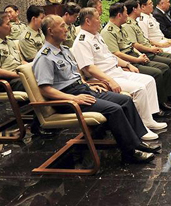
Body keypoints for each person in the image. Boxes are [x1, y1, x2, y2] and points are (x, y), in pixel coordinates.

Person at [33, 14, 158, 163]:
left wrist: (89, 85)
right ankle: (130, 152)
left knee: (125, 100)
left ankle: (137, 140)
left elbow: (75, 76)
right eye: (62, 26)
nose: (66, 29)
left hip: (82, 90)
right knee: (114, 109)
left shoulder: (64, 50)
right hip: (67, 99)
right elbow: (45, 89)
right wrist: (74, 98)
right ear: (50, 31)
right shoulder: (44, 57)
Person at [71, 7, 167, 134]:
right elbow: (88, 67)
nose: (100, 21)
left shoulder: (96, 36)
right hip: (104, 77)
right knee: (139, 89)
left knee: (149, 80)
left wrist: (128, 64)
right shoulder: (82, 41)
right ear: (88, 21)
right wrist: (109, 80)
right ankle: (140, 128)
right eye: (97, 18)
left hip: (117, 71)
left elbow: (111, 56)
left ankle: (148, 119)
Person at [101, 2, 171, 112]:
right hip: (127, 60)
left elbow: (131, 46)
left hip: (135, 56)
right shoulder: (108, 32)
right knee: (158, 72)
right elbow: (116, 54)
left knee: (167, 65)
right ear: (119, 15)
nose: (127, 15)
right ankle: (160, 104)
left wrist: (139, 54)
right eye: (125, 13)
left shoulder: (121, 28)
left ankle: (170, 95)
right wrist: (137, 59)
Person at [122, 0, 171, 93]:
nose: (152, 5)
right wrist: (152, 48)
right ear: (135, 9)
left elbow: (144, 39)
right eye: (150, 4)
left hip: (152, 47)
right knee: (168, 65)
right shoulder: (129, 24)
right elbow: (135, 44)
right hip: (146, 52)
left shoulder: (138, 21)